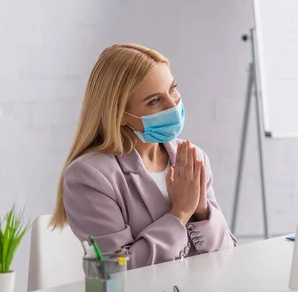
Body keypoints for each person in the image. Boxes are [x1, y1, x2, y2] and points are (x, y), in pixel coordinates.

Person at [50, 44, 236, 269]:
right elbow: (114, 269)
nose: (173, 105)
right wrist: (180, 213)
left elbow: (227, 253)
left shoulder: (191, 157)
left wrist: (202, 210)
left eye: (172, 88)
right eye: (154, 101)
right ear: (119, 114)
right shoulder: (89, 176)